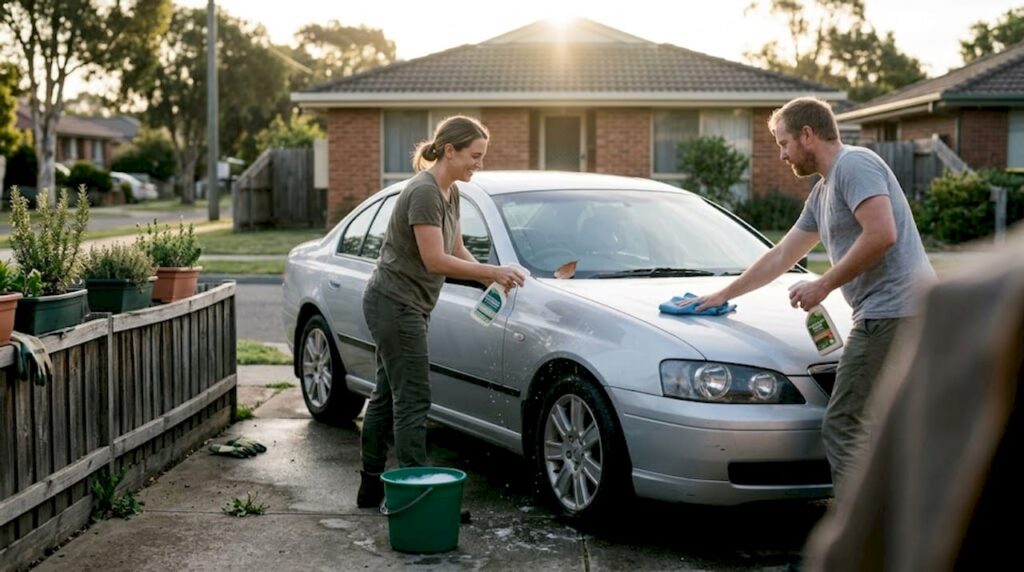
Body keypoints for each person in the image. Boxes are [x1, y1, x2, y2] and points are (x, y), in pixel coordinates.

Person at [685, 97, 934, 496]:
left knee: (844, 424)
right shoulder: (822, 192)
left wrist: (823, 284)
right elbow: (782, 255)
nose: (782, 155)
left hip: (895, 312)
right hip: (892, 314)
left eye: (784, 143)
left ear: (807, 134)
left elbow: (882, 233)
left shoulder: (855, 165)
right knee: (889, 424)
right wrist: (723, 294)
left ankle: (863, 543)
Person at [356, 115, 526, 508]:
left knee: (386, 395)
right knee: (413, 398)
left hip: (406, 304)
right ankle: (416, 495)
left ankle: (372, 487)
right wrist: (492, 271)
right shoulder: (425, 192)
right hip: (394, 303)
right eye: (474, 155)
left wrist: (494, 282)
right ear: (449, 150)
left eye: (482, 157)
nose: (478, 164)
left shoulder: (451, 193)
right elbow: (435, 260)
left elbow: (457, 249)